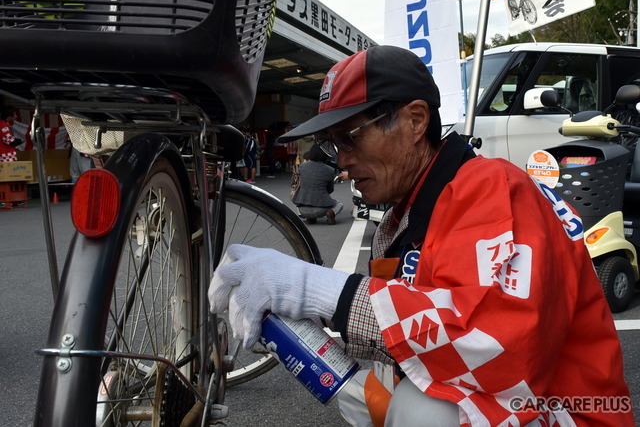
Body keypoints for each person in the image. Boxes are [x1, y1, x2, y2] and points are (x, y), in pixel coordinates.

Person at [208, 46, 634, 426]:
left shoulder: (491, 187)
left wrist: (311, 288)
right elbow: (406, 332)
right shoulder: (405, 213)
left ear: (415, 120)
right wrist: (300, 325)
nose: (342, 161)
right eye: (331, 144)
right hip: (511, 399)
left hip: (566, 409)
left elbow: (495, 342)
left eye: (349, 137)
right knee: (386, 392)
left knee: (423, 411)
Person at [291, 144, 343, 225]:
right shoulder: (330, 170)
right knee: (339, 204)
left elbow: (293, 183)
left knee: (303, 197)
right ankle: (331, 212)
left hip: (302, 209)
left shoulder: (301, 167)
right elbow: (330, 190)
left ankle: (310, 218)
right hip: (321, 210)